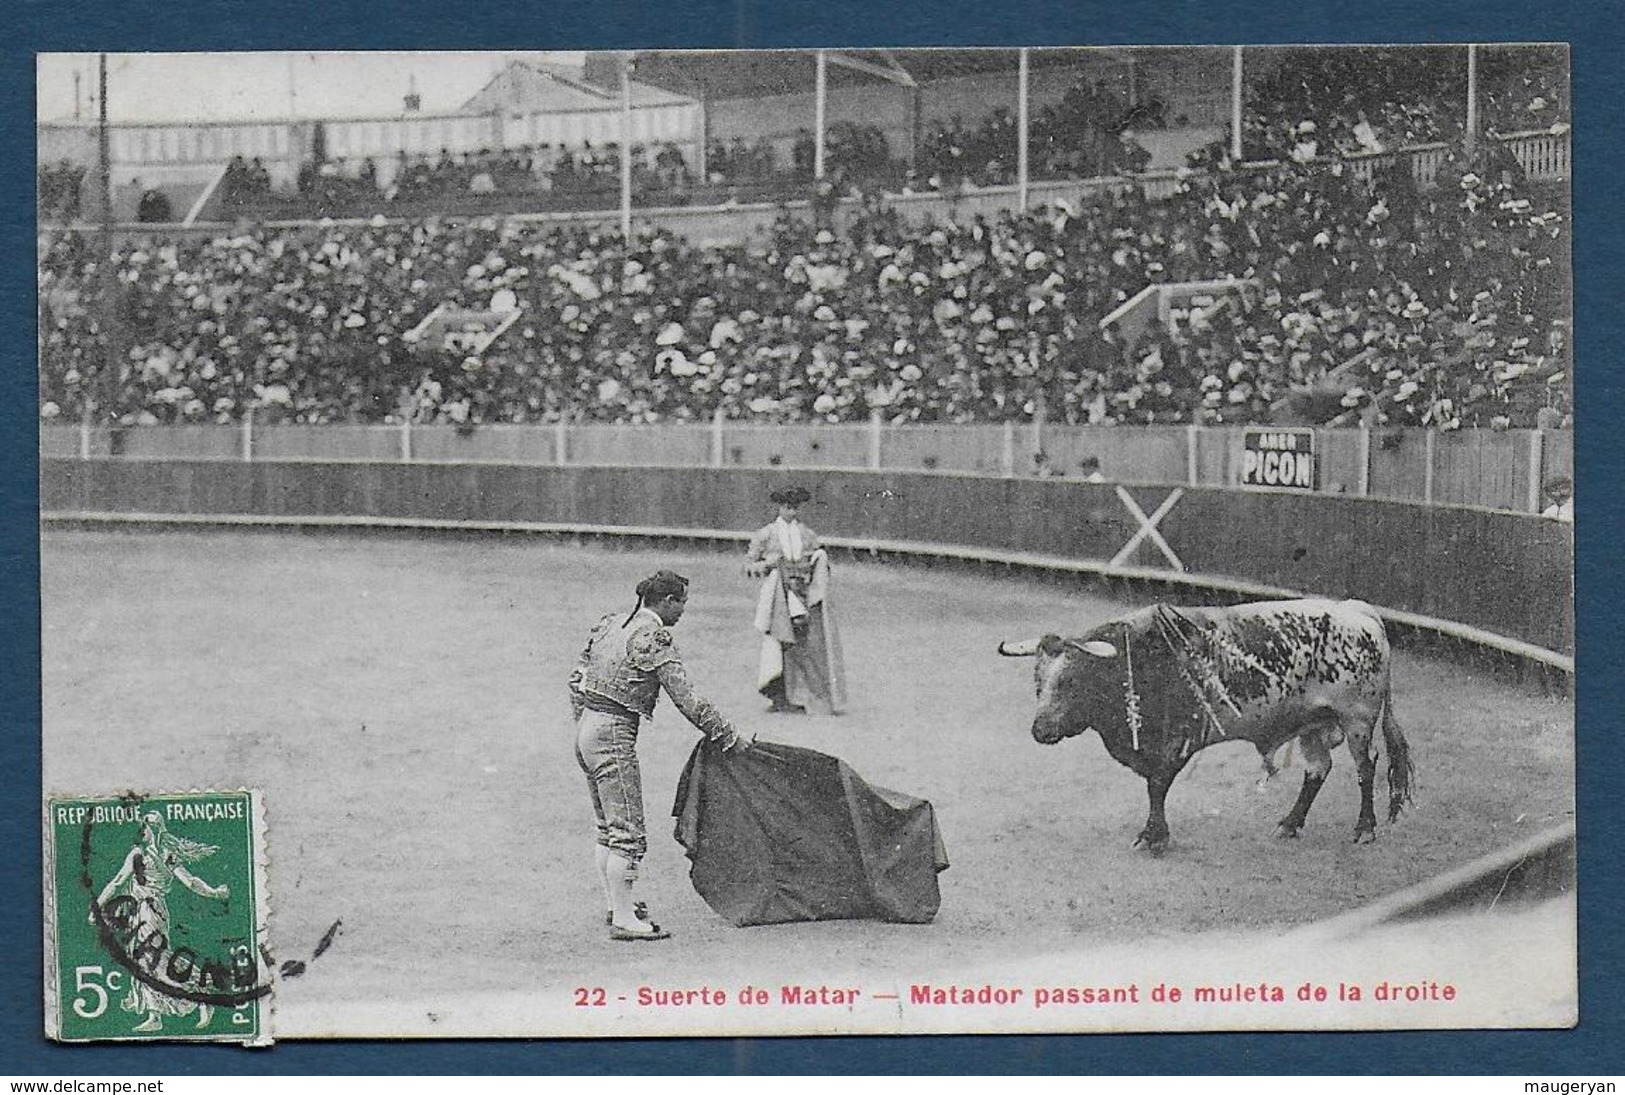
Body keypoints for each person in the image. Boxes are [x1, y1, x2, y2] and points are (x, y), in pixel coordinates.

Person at [568, 570, 752, 941]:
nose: (683, 610)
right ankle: (624, 919)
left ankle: (617, 905)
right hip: (613, 735)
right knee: (627, 832)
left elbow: (576, 680)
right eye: (682, 602)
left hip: (587, 728)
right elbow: (688, 701)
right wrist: (729, 736)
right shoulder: (655, 638)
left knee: (607, 827)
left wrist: (584, 722)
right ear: (667, 601)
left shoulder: (610, 624)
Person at [91, 812, 229, 1032]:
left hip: (152, 912)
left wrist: (214, 893)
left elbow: (190, 882)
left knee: (155, 960)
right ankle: (155, 1014)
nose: (140, 832)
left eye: (144, 828)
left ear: (153, 830)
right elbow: (117, 882)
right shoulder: (137, 854)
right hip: (138, 912)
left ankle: (201, 991)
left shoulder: (166, 854)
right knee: (142, 961)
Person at [746, 486, 848, 715]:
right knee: (778, 644)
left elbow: (820, 562)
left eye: (795, 507)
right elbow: (749, 567)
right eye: (786, 507)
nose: (791, 512)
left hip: (803, 593)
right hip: (778, 596)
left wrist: (820, 563)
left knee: (804, 645)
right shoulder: (766, 534)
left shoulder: (808, 535)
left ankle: (802, 694)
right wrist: (768, 564)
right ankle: (779, 696)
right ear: (779, 507)